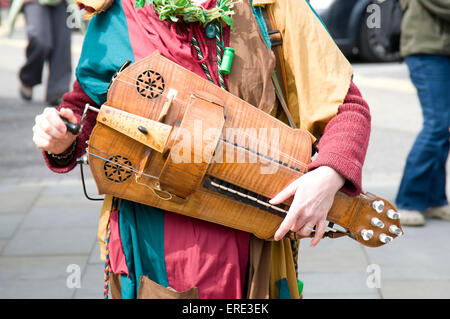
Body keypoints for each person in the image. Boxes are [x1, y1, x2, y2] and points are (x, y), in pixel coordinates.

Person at [32, 0, 371, 299]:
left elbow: (347, 106)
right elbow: (88, 107)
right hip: (151, 233)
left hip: (250, 235)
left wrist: (327, 176)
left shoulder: (273, 7)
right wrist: (62, 138)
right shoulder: (120, 12)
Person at [395, 0, 450, 226]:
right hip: (427, 50)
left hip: (440, 49)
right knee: (436, 124)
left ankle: (434, 200)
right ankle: (408, 201)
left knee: (444, 126)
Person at [8, 0, 73, 106]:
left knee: (62, 44)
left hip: (63, 2)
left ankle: (58, 91)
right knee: (40, 41)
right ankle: (28, 78)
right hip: (34, 1)